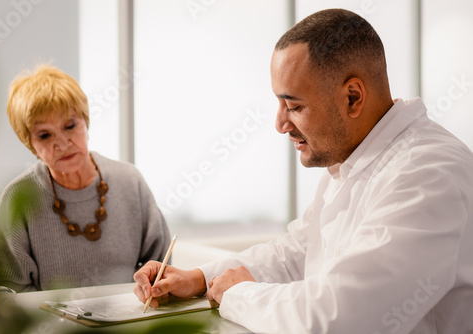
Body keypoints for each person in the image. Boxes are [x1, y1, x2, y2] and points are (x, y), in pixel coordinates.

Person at [132, 8, 473, 334]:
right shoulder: (352, 161)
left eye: (294, 106)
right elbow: (295, 253)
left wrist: (237, 294)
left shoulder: (427, 174)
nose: (280, 124)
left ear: (353, 97)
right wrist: (200, 279)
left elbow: (340, 319)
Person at [0, 65, 171, 292]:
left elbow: (161, 268)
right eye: (45, 135)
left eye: (70, 125)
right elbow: (10, 293)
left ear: (86, 122)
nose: (63, 143)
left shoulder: (130, 181)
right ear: (31, 145)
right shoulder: (18, 196)